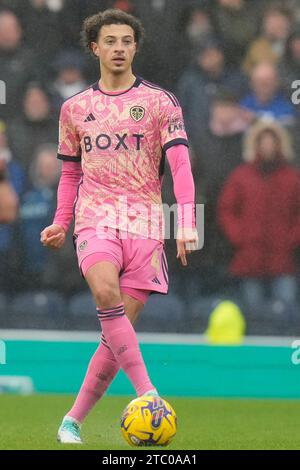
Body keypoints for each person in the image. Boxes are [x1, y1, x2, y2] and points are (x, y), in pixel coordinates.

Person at [40, 9, 198, 444]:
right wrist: (60, 222)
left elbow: (180, 166)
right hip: (95, 219)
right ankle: (149, 393)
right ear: (95, 48)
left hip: (147, 225)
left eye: (126, 41)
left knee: (115, 335)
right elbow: (71, 173)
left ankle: (72, 420)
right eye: (110, 41)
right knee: (105, 292)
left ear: (135, 47)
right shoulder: (75, 109)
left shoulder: (160, 102)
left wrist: (185, 222)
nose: (118, 48)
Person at [218, 120, 300, 310]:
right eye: (263, 142)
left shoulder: (292, 178)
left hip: (282, 259)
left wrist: (291, 238)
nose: (267, 146)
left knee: (285, 311)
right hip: (249, 259)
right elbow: (227, 210)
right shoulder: (241, 176)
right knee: (252, 311)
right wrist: (239, 236)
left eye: (272, 142)